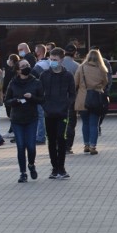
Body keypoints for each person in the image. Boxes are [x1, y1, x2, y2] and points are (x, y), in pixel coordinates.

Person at [5, 59, 44, 183]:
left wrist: (32, 97)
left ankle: (31, 165)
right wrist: (14, 101)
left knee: (31, 146)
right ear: (18, 70)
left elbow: (42, 99)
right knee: (21, 146)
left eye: (28, 65)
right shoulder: (13, 83)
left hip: (31, 118)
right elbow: (7, 100)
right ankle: (23, 173)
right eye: (23, 66)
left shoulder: (36, 82)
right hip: (17, 119)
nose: (26, 67)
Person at [39, 48, 75, 179]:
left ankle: (62, 167)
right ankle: (54, 168)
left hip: (62, 113)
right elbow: (39, 93)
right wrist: (45, 106)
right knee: (51, 140)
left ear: (61, 60)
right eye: (51, 59)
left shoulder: (68, 75)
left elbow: (72, 94)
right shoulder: (44, 75)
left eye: (55, 60)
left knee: (61, 138)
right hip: (49, 113)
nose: (52, 62)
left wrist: (66, 105)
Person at [74, 49, 108, 155]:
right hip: (96, 99)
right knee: (94, 124)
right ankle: (93, 146)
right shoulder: (102, 69)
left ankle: (86, 145)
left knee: (85, 123)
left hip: (83, 99)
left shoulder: (81, 68)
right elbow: (105, 82)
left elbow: (75, 82)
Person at [62, 44, 79, 154]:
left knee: (60, 122)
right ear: (75, 53)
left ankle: (60, 144)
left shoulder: (57, 63)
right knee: (71, 122)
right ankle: (68, 146)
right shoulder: (77, 66)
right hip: (72, 98)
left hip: (58, 99)